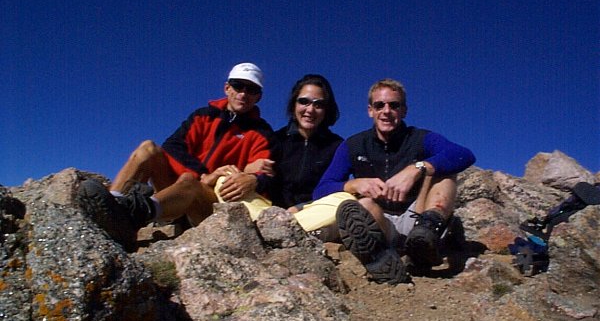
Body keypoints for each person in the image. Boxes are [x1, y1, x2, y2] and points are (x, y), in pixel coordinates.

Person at [78, 62, 273, 251]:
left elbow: (265, 171)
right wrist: (204, 174)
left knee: (190, 181)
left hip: (211, 203)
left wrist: (251, 179)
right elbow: (173, 147)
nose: (243, 94)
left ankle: (133, 214)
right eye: (238, 86)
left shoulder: (261, 132)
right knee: (148, 148)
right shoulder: (203, 116)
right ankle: (111, 208)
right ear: (227, 88)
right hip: (177, 190)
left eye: (251, 90)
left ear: (259, 97)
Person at [313, 78, 475, 284]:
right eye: (380, 105)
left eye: (394, 105)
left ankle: (425, 240)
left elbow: (463, 155)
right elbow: (321, 190)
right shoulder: (353, 145)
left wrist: (417, 168)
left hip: (419, 216)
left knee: (443, 170)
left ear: (404, 110)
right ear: (370, 110)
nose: (386, 111)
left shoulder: (420, 138)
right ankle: (385, 257)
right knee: (360, 205)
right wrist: (355, 184)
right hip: (383, 223)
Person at [244, 74, 355, 236]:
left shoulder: (337, 145)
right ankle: (288, 229)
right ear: (294, 104)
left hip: (310, 211)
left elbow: (333, 189)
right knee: (224, 181)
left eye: (319, 104)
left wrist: (300, 208)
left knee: (347, 200)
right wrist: (249, 172)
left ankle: (276, 230)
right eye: (304, 101)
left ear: (327, 109)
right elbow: (262, 180)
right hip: (269, 211)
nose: (310, 109)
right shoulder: (275, 139)